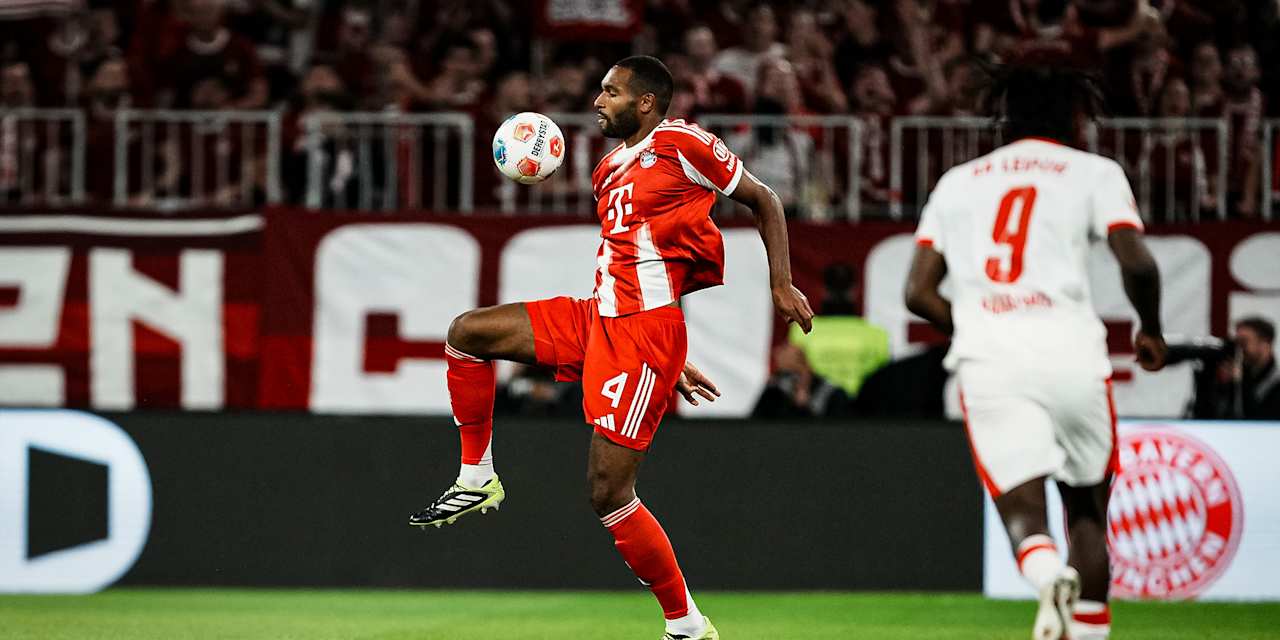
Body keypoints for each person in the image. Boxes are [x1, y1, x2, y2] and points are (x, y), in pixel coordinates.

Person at [408, 55, 814, 640]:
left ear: (645, 102)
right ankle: (476, 475)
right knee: (467, 333)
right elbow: (635, 261)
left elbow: (765, 200)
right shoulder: (607, 170)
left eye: (611, 92)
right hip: (600, 319)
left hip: (643, 334)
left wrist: (779, 282)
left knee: (608, 491)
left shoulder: (684, 142)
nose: (598, 101)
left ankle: (688, 625)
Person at [904, 63, 1167, 640]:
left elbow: (918, 293)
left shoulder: (959, 181)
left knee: (1024, 514)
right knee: (1088, 514)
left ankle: (1047, 575)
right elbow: (1139, 263)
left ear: (1003, 118)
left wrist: (973, 321)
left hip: (992, 360)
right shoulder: (1094, 173)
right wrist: (1151, 329)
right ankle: (1088, 624)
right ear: (1076, 116)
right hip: (1072, 351)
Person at [1236, 317, 1280, 419]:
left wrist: (1241, 383)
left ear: (1265, 343)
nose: (1239, 349)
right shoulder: (1240, 376)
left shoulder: (1276, 381)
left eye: (1244, 342)